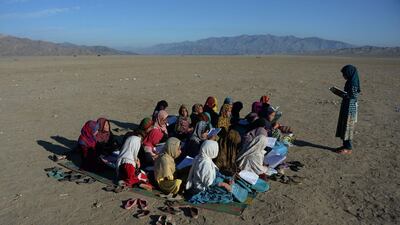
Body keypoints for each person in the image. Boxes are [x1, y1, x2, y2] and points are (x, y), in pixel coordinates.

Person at [331, 65, 361, 154]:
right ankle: (345, 145)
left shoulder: (353, 83)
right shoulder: (349, 81)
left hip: (350, 108)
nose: (343, 76)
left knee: (348, 127)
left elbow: (353, 96)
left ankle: (348, 148)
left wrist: (342, 94)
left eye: (344, 74)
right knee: (344, 127)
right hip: (346, 106)